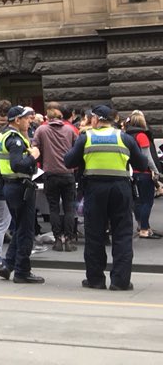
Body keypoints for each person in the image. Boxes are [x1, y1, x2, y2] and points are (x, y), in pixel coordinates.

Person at [64, 105, 149, 291]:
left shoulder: (85, 138)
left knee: (94, 235)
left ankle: (95, 280)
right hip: (121, 189)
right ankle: (120, 281)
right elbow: (142, 163)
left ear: (96, 119)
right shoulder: (124, 138)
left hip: (95, 190)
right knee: (122, 235)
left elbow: (68, 161)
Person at [0, 106, 43, 284]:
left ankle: (8, 265)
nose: (29, 120)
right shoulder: (14, 139)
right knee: (26, 231)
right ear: (17, 120)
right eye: (26, 118)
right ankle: (23, 271)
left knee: (20, 228)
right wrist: (33, 157)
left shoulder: (4, 134)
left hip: (11, 186)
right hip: (19, 187)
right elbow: (17, 164)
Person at [32, 103, 79, 251]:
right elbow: (77, 149)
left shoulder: (41, 129)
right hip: (68, 173)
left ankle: (57, 239)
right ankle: (70, 240)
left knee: (53, 208)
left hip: (50, 173)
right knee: (69, 208)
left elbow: (34, 148)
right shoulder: (70, 130)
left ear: (48, 117)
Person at [124, 111, 161, 239]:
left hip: (131, 172)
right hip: (144, 173)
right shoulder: (141, 135)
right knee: (147, 202)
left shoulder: (126, 136)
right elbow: (147, 157)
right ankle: (144, 229)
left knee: (138, 202)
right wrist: (155, 170)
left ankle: (142, 226)